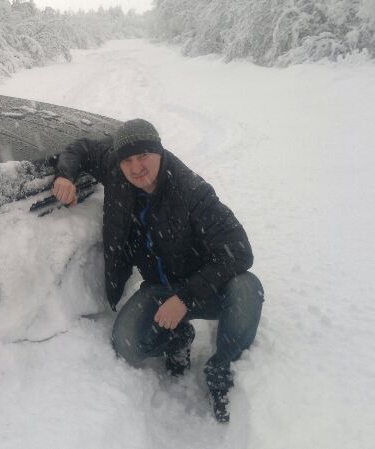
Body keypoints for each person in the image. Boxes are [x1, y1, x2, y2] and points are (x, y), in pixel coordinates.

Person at [52, 119, 264, 423]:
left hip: (204, 288)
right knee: (126, 344)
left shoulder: (191, 191)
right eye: (127, 160)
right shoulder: (116, 169)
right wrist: (66, 176)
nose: (136, 168)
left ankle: (222, 370)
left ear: (159, 152)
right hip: (158, 289)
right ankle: (178, 339)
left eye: (143, 156)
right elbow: (81, 148)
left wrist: (186, 298)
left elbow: (239, 250)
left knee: (247, 288)